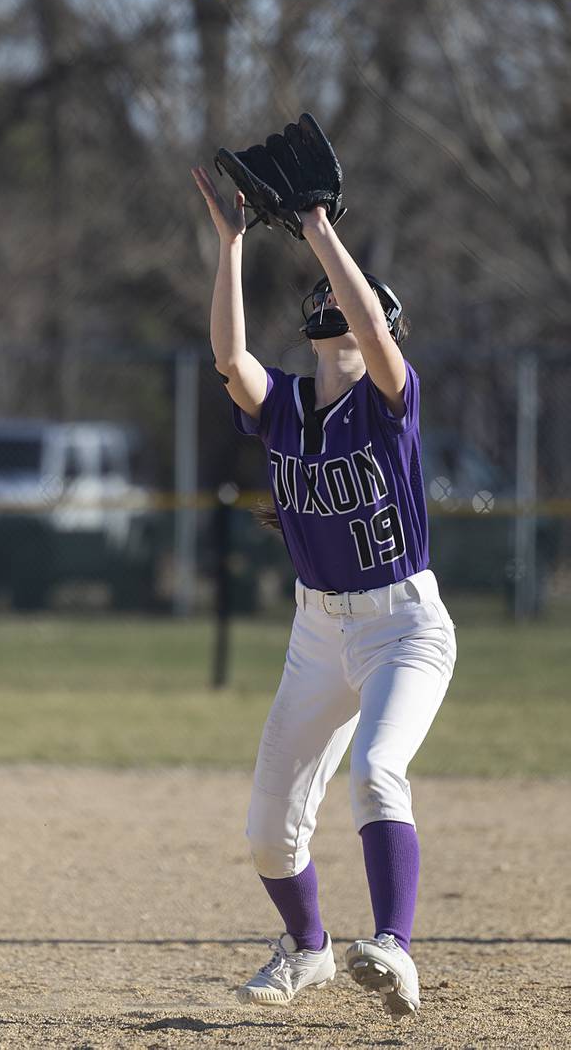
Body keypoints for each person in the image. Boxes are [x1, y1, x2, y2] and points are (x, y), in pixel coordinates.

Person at [190, 164, 457, 1016]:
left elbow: (374, 331)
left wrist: (314, 225)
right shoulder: (286, 407)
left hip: (404, 627)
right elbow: (229, 357)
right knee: (269, 831)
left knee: (379, 771)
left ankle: (395, 947)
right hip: (317, 634)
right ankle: (308, 949)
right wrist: (231, 245)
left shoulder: (390, 401)